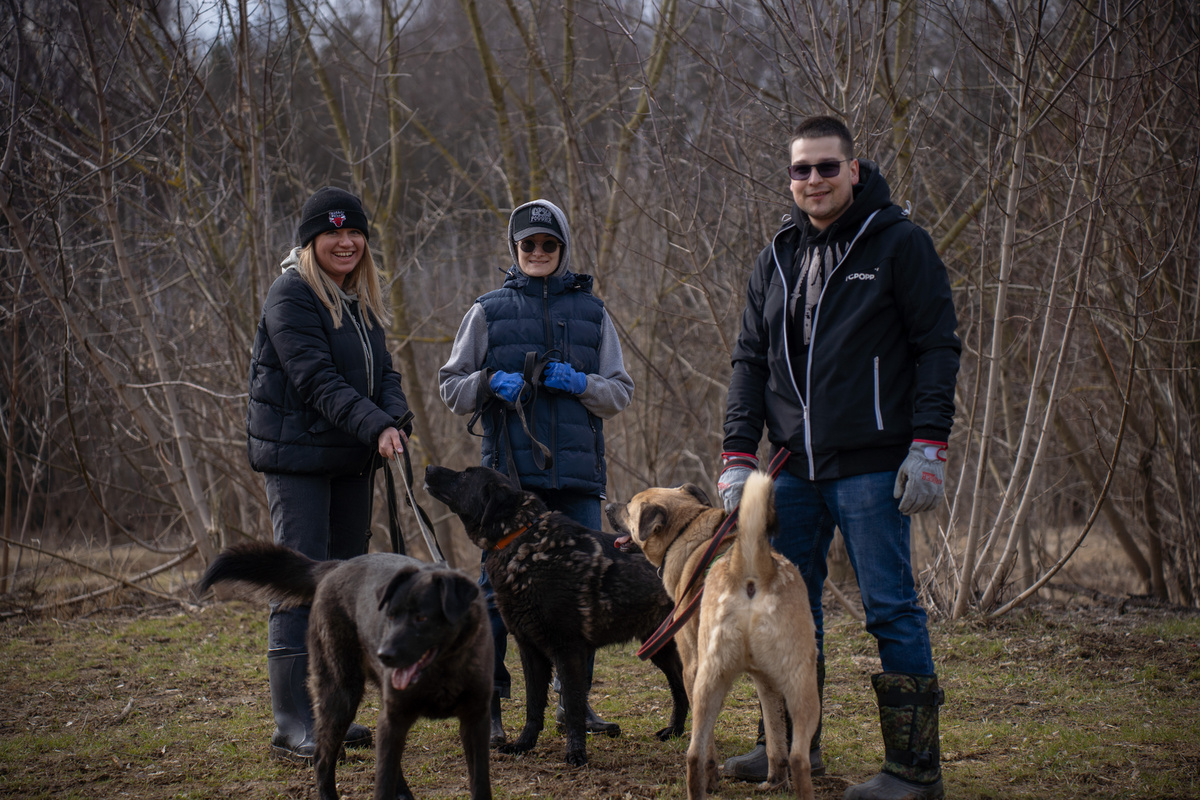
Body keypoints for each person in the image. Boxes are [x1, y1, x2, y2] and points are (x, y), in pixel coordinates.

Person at [717, 116, 959, 800]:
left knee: (890, 608)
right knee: (785, 607)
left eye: (827, 168)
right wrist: (738, 455)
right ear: (789, 178)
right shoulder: (776, 257)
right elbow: (749, 362)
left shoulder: (899, 244)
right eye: (802, 170)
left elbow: (938, 345)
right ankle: (793, 750)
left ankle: (916, 773)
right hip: (791, 467)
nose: (814, 181)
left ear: (854, 170)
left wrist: (929, 444)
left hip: (875, 464)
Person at [438, 198, 635, 746]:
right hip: (507, 486)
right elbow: (450, 386)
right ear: (515, 249)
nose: (539, 253)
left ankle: (578, 705)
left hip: (576, 481)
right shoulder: (487, 311)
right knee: (496, 596)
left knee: (584, 594)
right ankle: (491, 702)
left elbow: (619, 392)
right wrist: (488, 382)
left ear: (563, 247)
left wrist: (580, 383)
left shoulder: (594, 314)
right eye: (529, 244)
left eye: (549, 244)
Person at [246, 186, 412, 762]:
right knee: (301, 584)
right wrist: (375, 427)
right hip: (298, 462)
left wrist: (396, 416)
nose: (346, 242)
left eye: (354, 232)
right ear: (311, 241)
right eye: (333, 233)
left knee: (342, 587)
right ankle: (293, 721)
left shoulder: (359, 298)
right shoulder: (290, 296)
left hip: (350, 460)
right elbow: (317, 381)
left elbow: (382, 372)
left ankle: (332, 711)